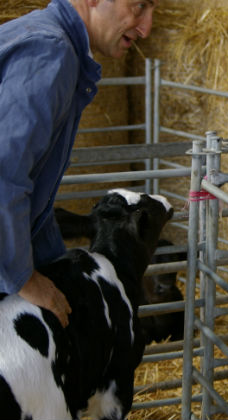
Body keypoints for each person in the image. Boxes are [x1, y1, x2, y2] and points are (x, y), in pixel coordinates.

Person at [0, 0, 158, 328]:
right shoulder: (51, 54)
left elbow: (31, 201)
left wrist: (60, 272)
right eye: (139, 5)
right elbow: (4, 174)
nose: (146, 27)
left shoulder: (48, 40)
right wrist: (24, 279)